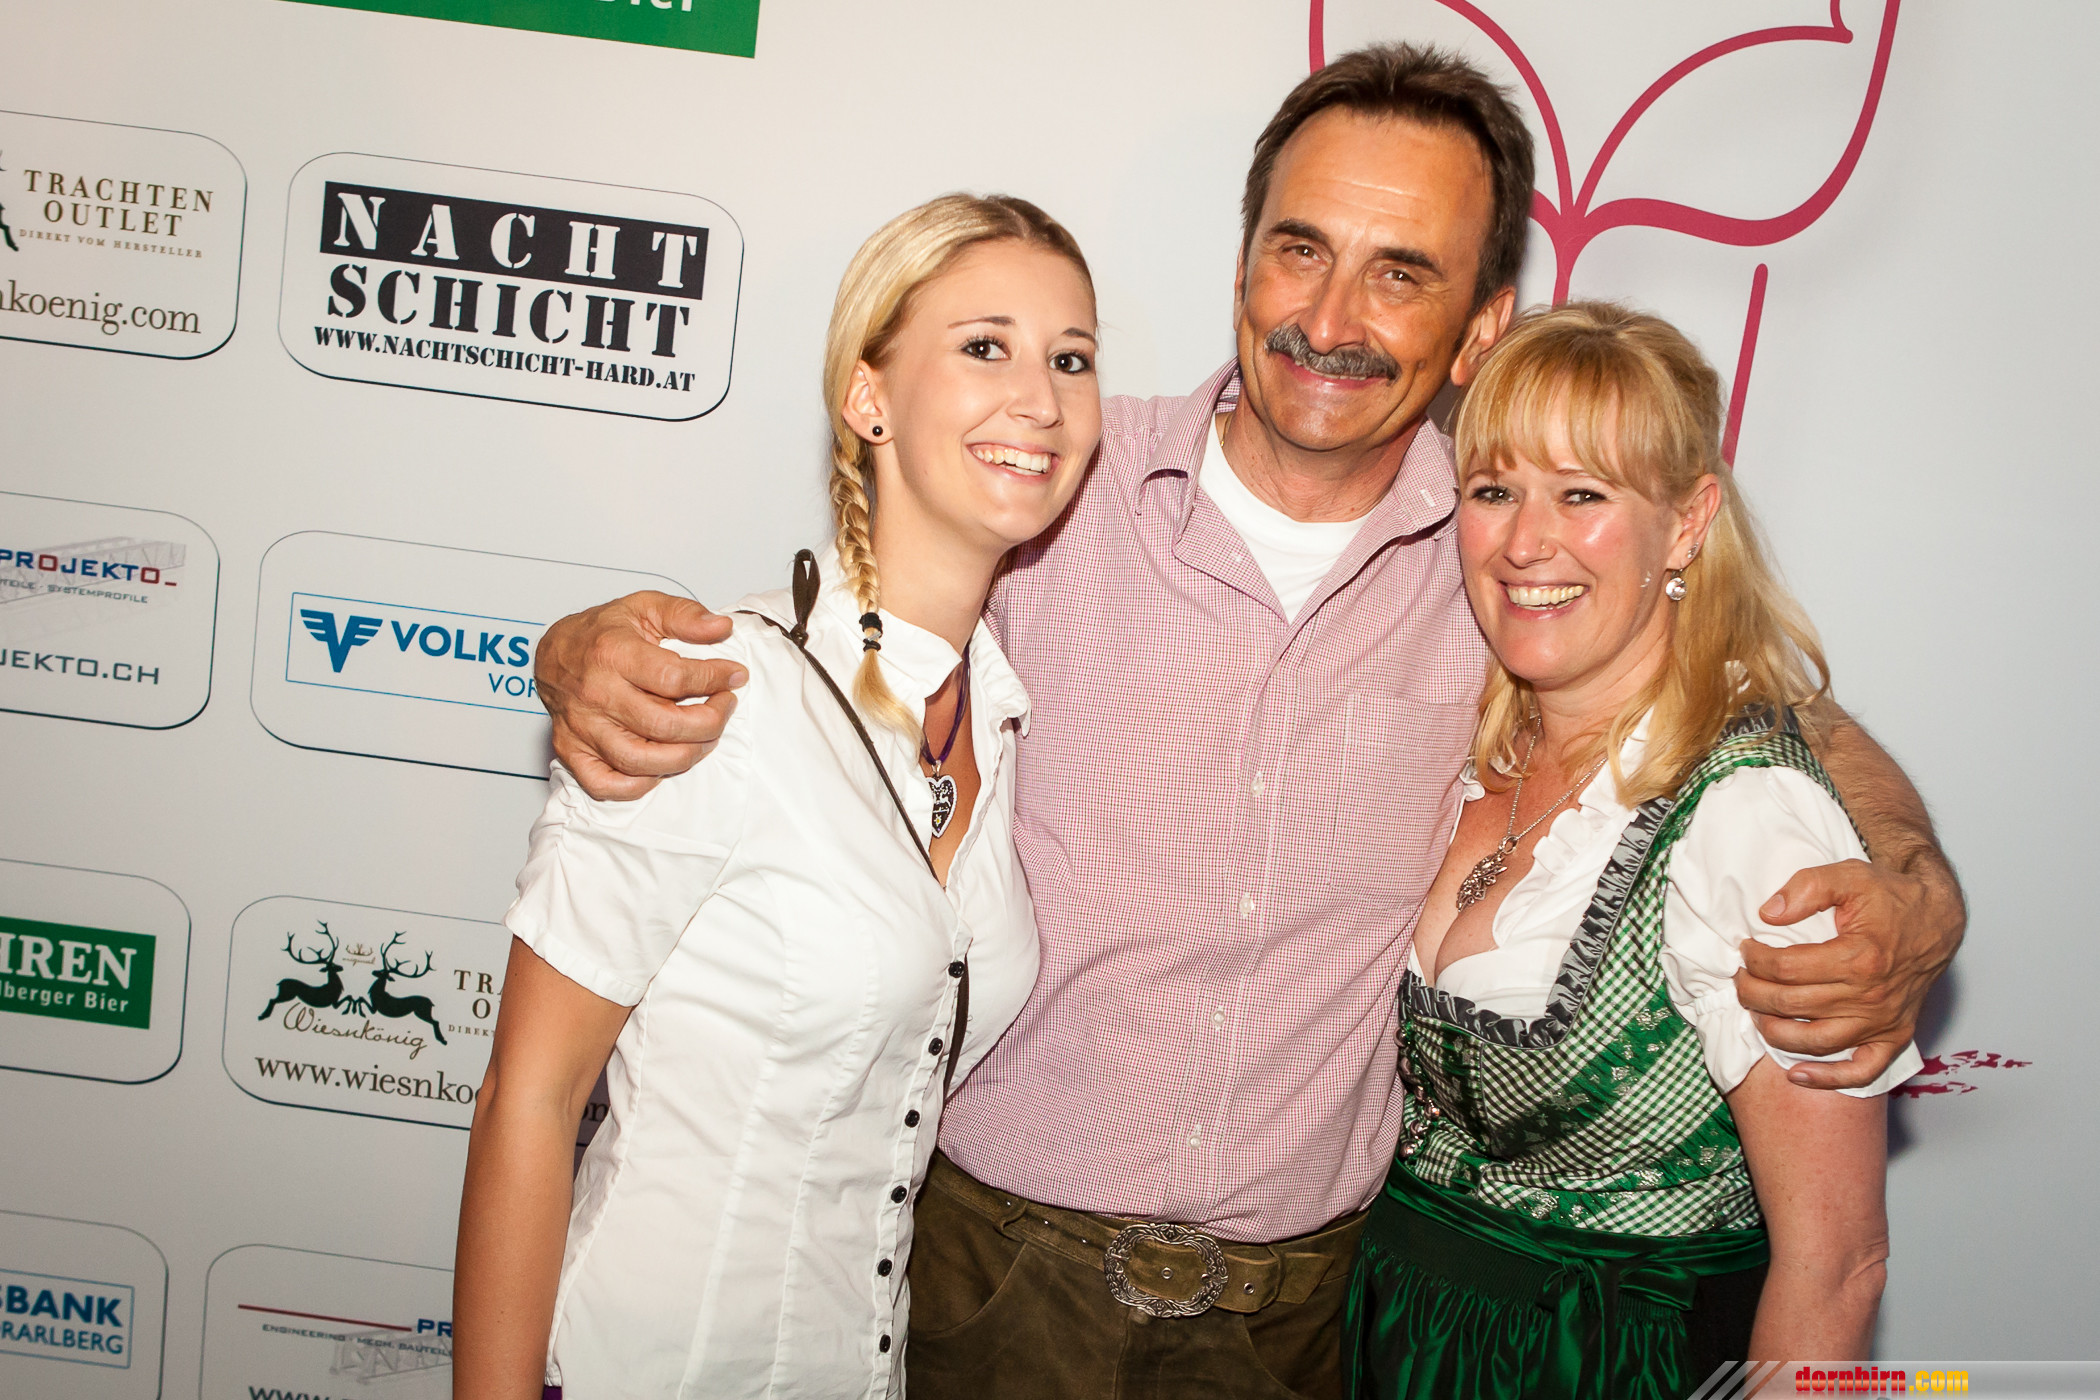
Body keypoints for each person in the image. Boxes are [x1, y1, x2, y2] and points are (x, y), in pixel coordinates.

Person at [527, 46, 1964, 1400]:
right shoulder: (1055, 480)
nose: (1330, 320)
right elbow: (834, 647)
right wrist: (584, 650)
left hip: (1308, 1323)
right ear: (1241, 263)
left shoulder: (1503, 554)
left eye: (1400, 273)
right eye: (1301, 249)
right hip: (985, 1278)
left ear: (1480, 328)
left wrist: (1912, 878)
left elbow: (1748, 708)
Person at [450, 193, 1102, 1400]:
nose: (1042, 398)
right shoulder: (713, 692)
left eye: (1072, 358)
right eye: (985, 346)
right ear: (868, 398)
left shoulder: (997, 718)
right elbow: (527, 1099)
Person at [1344, 302, 1914, 1400]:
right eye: (1494, 490)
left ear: (1687, 524)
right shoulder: (1463, 737)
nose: (1525, 543)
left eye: (1583, 494)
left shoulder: (1749, 816)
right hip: (1394, 1341)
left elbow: (1839, 1266)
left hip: (1614, 1362)